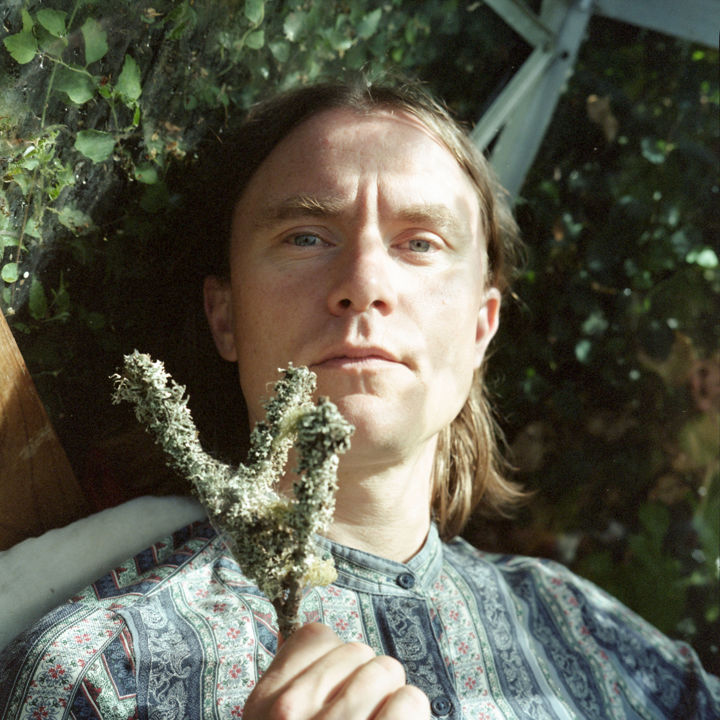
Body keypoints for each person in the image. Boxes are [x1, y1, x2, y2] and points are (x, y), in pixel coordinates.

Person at [1, 79, 718, 720]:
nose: (365, 281)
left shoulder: (595, 639)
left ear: (480, 327)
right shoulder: (103, 676)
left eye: (421, 243)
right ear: (226, 317)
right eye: (306, 237)